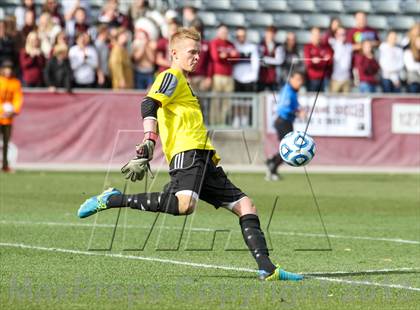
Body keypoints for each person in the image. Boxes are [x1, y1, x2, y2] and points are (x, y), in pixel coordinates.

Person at [77, 28, 303, 282]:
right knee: (185, 205)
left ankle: (268, 269)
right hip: (187, 151)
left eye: (199, 52)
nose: (196, 57)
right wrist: (149, 138)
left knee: (246, 205)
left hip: (204, 156)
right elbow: (148, 103)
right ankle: (114, 199)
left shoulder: (184, 82)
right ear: (174, 53)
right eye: (191, 52)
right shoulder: (170, 75)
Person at [265, 71, 305, 181]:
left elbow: (295, 106)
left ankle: (272, 163)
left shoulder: (293, 91)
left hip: (286, 122)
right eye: (298, 79)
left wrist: (298, 109)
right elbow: (283, 108)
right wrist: (297, 112)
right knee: (289, 149)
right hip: (282, 122)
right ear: (291, 79)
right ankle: (271, 167)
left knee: (289, 149)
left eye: (301, 80)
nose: (300, 82)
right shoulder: (287, 91)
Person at [209, 24, 239, 125]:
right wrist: (229, 55)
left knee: (227, 102)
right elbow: (216, 57)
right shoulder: (215, 43)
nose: (224, 34)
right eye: (222, 32)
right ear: (218, 33)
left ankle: (223, 123)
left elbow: (236, 58)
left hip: (229, 76)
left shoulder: (231, 44)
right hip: (218, 76)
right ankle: (214, 123)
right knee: (216, 102)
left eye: (226, 32)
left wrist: (226, 56)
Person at [232, 26, 260, 128]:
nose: (241, 38)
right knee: (236, 100)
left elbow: (255, 62)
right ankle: (236, 118)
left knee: (247, 100)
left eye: (243, 36)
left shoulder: (252, 47)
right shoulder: (234, 46)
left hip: (249, 78)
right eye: (239, 36)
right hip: (236, 77)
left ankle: (245, 118)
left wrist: (254, 76)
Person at [0, 60, 23, 173]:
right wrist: (1, 110)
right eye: (6, 68)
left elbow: (17, 98)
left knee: (6, 143)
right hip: (1, 115)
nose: (8, 71)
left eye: (10, 69)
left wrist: (14, 110)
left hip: (8, 118)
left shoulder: (15, 83)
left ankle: (5, 165)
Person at [303, 27, 333, 92]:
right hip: (312, 79)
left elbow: (329, 62)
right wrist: (322, 60)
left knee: (323, 100)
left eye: (318, 35)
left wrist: (318, 61)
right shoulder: (307, 47)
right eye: (315, 35)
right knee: (312, 99)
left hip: (324, 78)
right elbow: (308, 63)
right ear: (311, 36)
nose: (317, 37)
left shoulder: (325, 47)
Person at [258, 26, 284, 91]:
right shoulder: (260, 45)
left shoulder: (279, 46)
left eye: (273, 33)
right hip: (262, 77)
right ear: (266, 33)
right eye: (269, 33)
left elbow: (279, 61)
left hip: (273, 78)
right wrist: (272, 60)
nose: (270, 35)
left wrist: (265, 59)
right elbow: (259, 60)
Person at [329, 27, 353, 93]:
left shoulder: (349, 46)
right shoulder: (333, 44)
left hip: (346, 79)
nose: (342, 36)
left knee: (346, 101)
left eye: (344, 34)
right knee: (333, 100)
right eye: (340, 34)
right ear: (336, 35)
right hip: (336, 78)